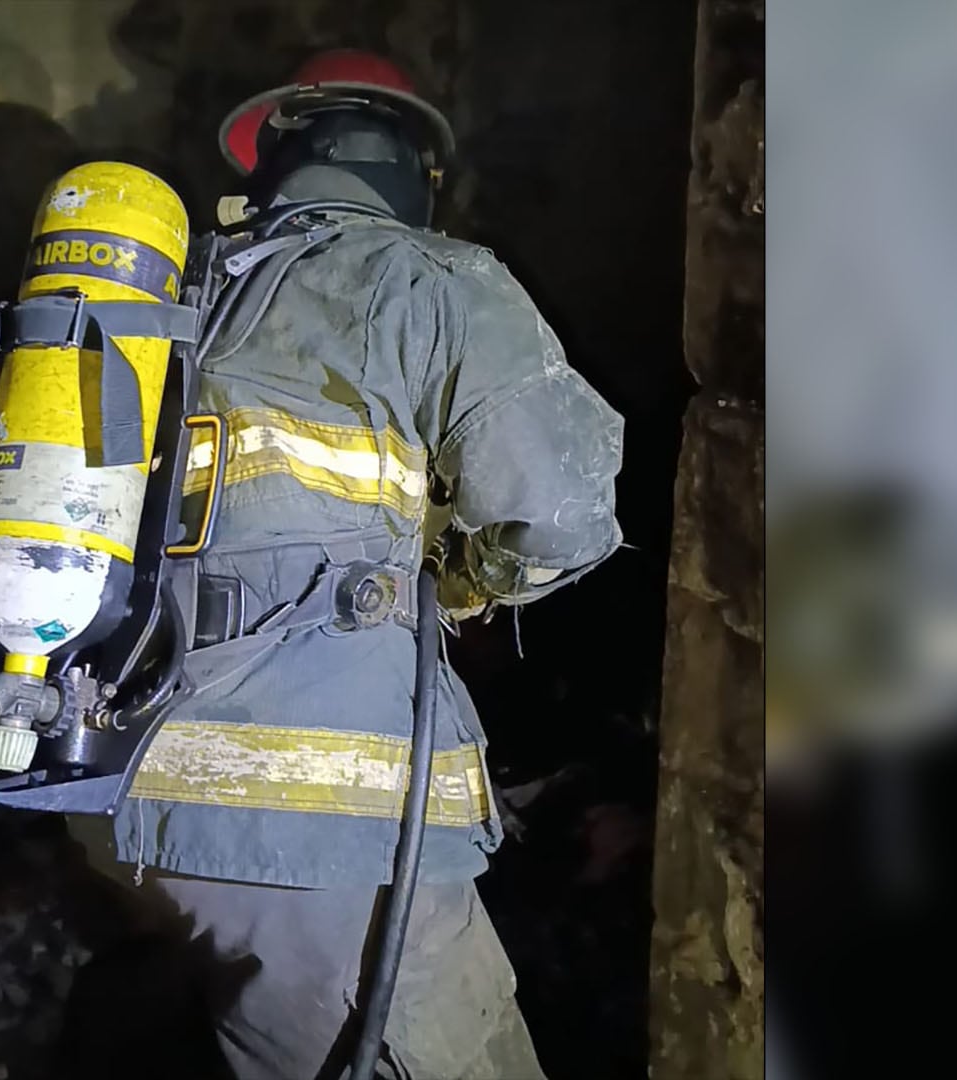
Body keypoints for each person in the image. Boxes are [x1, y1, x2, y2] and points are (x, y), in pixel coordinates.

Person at [66, 49, 625, 1079]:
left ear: (274, 159)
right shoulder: (434, 281)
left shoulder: (175, 290)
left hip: (119, 804)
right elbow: (562, 517)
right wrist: (464, 584)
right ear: (412, 169)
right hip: (316, 834)